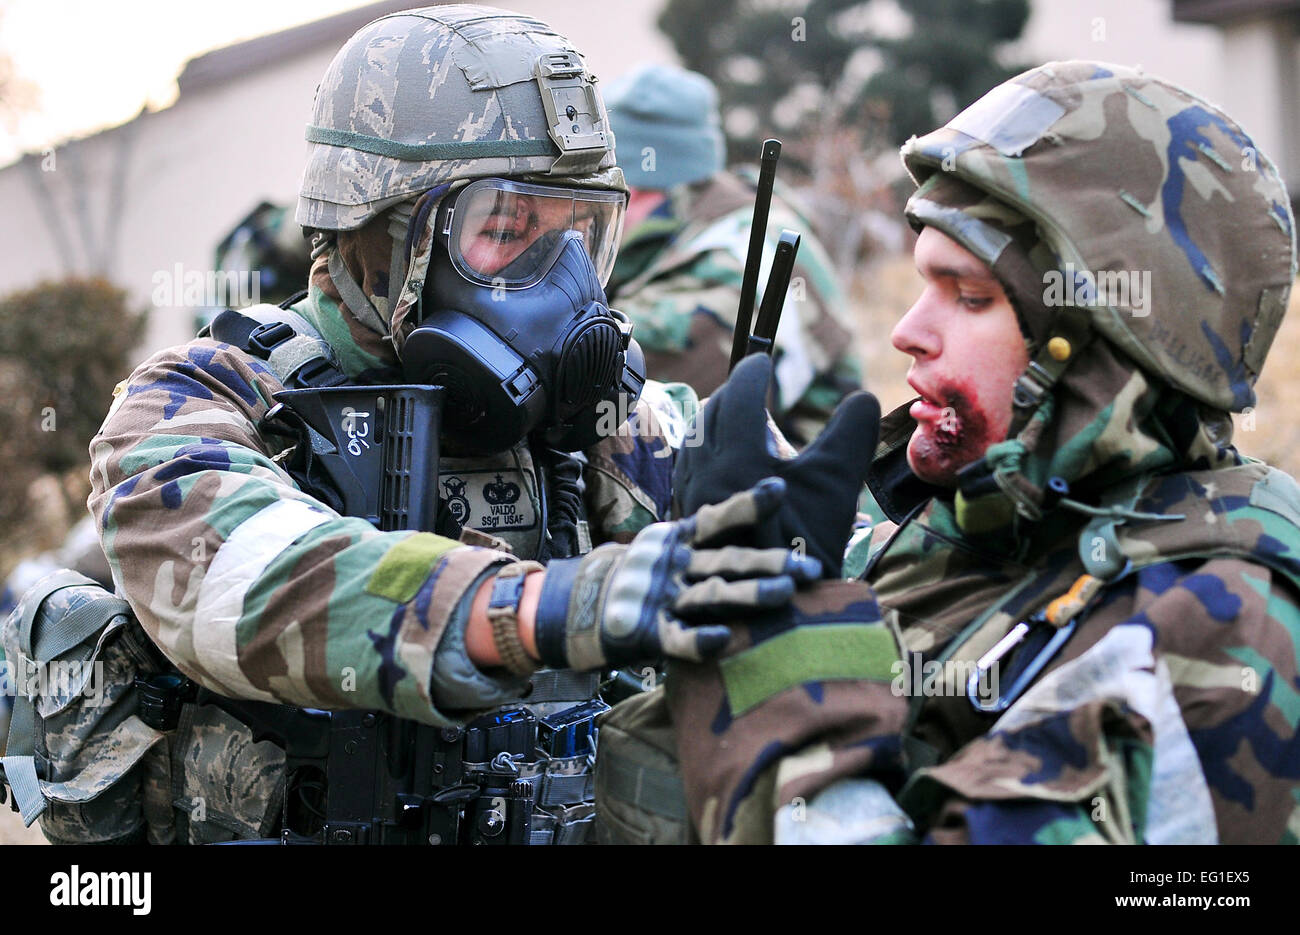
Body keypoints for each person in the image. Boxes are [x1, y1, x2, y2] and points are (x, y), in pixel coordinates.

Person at [37, 4, 812, 845]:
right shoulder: (202, 403)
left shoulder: (605, 423)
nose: (563, 283)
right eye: (507, 229)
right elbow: (242, 574)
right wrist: (539, 608)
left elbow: (838, 566)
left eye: (581, 233)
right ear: (383, 232)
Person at [598, 60, 1300, 845]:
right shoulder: (965, 502)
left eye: (970, 298)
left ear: (1097, 351)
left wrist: (766, 646)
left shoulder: (1222, 628)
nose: (907, 331)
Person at [602, 64, 862, 446]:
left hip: (793, 496)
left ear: (630, 189)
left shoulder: (734, 261)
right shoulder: (715, 217)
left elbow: (599, 389)